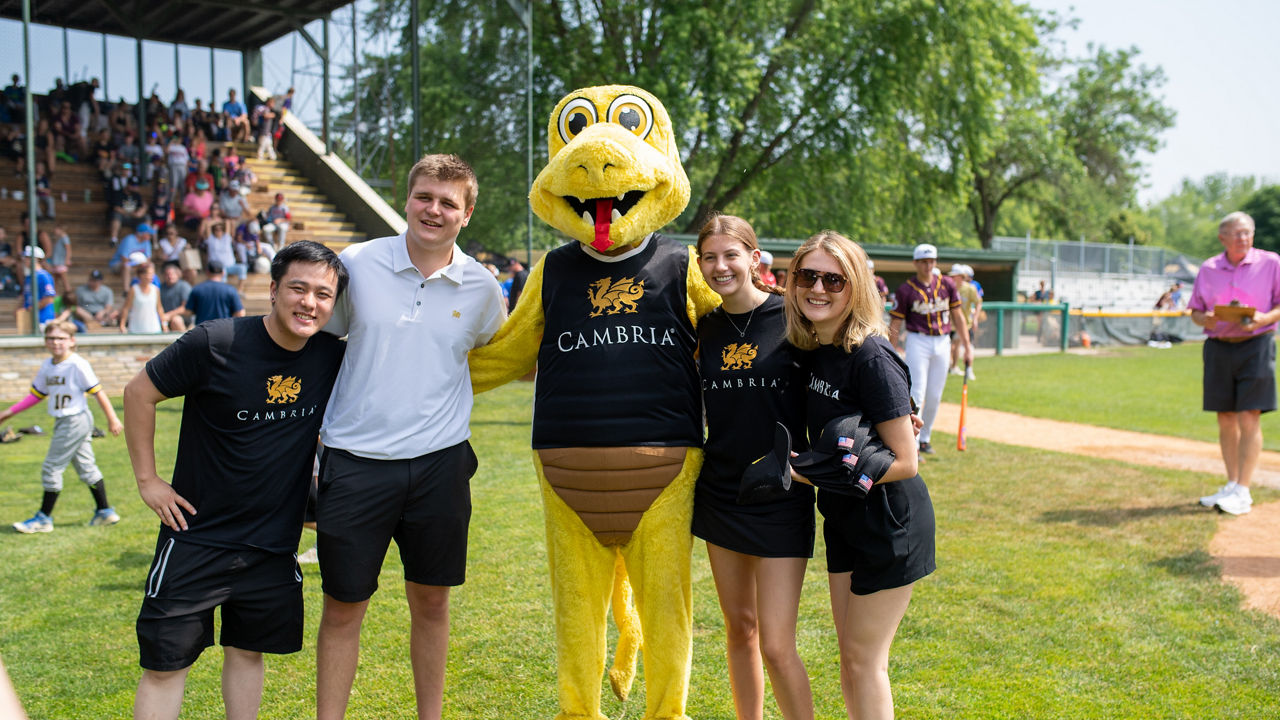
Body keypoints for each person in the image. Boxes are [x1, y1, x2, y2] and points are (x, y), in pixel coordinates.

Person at [123, 241, 348, 720]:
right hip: (195, 538)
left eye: (323, 295)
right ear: (272, 290)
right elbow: (138, 393)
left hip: (271, 544)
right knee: (166, 665)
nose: (309, 303)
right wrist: (148, 480)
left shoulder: (330, 356)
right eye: (298, 288)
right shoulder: (214, 342)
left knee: (248, 652)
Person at [315, 154, 505, 720]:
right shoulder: (357, 263)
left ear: (466, 214)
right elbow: (317, 349)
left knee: (432, 602)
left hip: (439, 467)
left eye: (449, 202)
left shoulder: (482, 287)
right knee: (343, 608)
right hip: (353, 462)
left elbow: (501, 357)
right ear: (408, 198)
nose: (434, 210)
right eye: (425, 196)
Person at [783, 231, 934, 720]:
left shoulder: (870, 355)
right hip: (845, 518)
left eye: (834, 279)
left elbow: (907, 461)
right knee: (849, 658)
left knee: (866, 661)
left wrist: (811, 475)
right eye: (808, 276)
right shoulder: (817, 347)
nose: (819, 289)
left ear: (857, 287)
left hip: (889, 524)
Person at [693, 215, 815, 719]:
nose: (720, 266)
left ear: (754, 256)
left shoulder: (794, 317)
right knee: (739, 627)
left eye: (730, 255)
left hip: (782, 497)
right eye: (709, 257)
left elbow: (850, 364)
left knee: (777, 645)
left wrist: (896, 409)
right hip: (721, 493)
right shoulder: (703, 327)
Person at [1189, 211, 1280, 516]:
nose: (1242, 238)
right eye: (1236, 233)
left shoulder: (1271, 263)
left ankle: (1243, 489)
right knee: (1225, 417)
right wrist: (1207, 318)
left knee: (1249, 415)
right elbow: (1196, 311)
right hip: (1218, 346)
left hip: (1256, 345)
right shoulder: (1208, 268)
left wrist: (1263, 319)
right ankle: (1230, 484)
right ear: (1222, 237)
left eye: (1247, 233)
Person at [4, 320, 124, 533]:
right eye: (51, 338)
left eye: (61, 338)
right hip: (65, 421)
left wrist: (112, 418)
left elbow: (98, 391)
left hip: (75, 420)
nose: (56, 342)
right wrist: (8, 413)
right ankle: (105, 511)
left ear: (72, 341)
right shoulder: (48, 366)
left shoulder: (77, 364)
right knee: (86, 467)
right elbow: (36, 395)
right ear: (45, 342)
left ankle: (43, 519)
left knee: (51, 467)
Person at [888, 244, 970, 456]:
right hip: (918, 340)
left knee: (935, 395)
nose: (928, 265)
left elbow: (958, 317)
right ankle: (911, 444)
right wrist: (891, 350)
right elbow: (895, 323)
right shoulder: (906, 289)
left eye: (931, 261)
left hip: (942, 340)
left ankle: (925, 439)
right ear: (915, 263)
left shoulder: (947, 284)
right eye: (923, 262)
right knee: (917, 392)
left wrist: (967, 346)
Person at [183, 260, 245, 326]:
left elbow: (188, 312)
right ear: (223, 273)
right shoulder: (230, 290)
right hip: (224, 330)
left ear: (207, 272)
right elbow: (240, 313)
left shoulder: (197, 289)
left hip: (202, 330)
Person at [949, 264, 980, 380]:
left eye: (955, 276)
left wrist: (975, 318)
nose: (952, 278)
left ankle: (968, 369)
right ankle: (953, 366)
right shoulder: (949, 288)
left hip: (965, 324)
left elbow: (978, 303)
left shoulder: (970, 288)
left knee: (967, 347)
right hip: (950, 324)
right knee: (953, 347)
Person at [120, 261, 164, 334]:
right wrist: (122, 325)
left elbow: (159, 308)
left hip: (154, 329)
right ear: (141, 275)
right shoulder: (133, 289)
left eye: (152, 274)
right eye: (149, 274)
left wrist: (164, 324)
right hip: (136, 329)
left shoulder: (156, 289)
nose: (151, 276)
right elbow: (126, 308)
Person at [158, 261, 191, 331]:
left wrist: (169, 315)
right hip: (163, 319)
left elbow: (185, 308)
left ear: (177, 274)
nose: (170, 276)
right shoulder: (160, 288)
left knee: (176, 320)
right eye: (167, 274)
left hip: (182, 319)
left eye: (172, 274)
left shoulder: (184, 286)